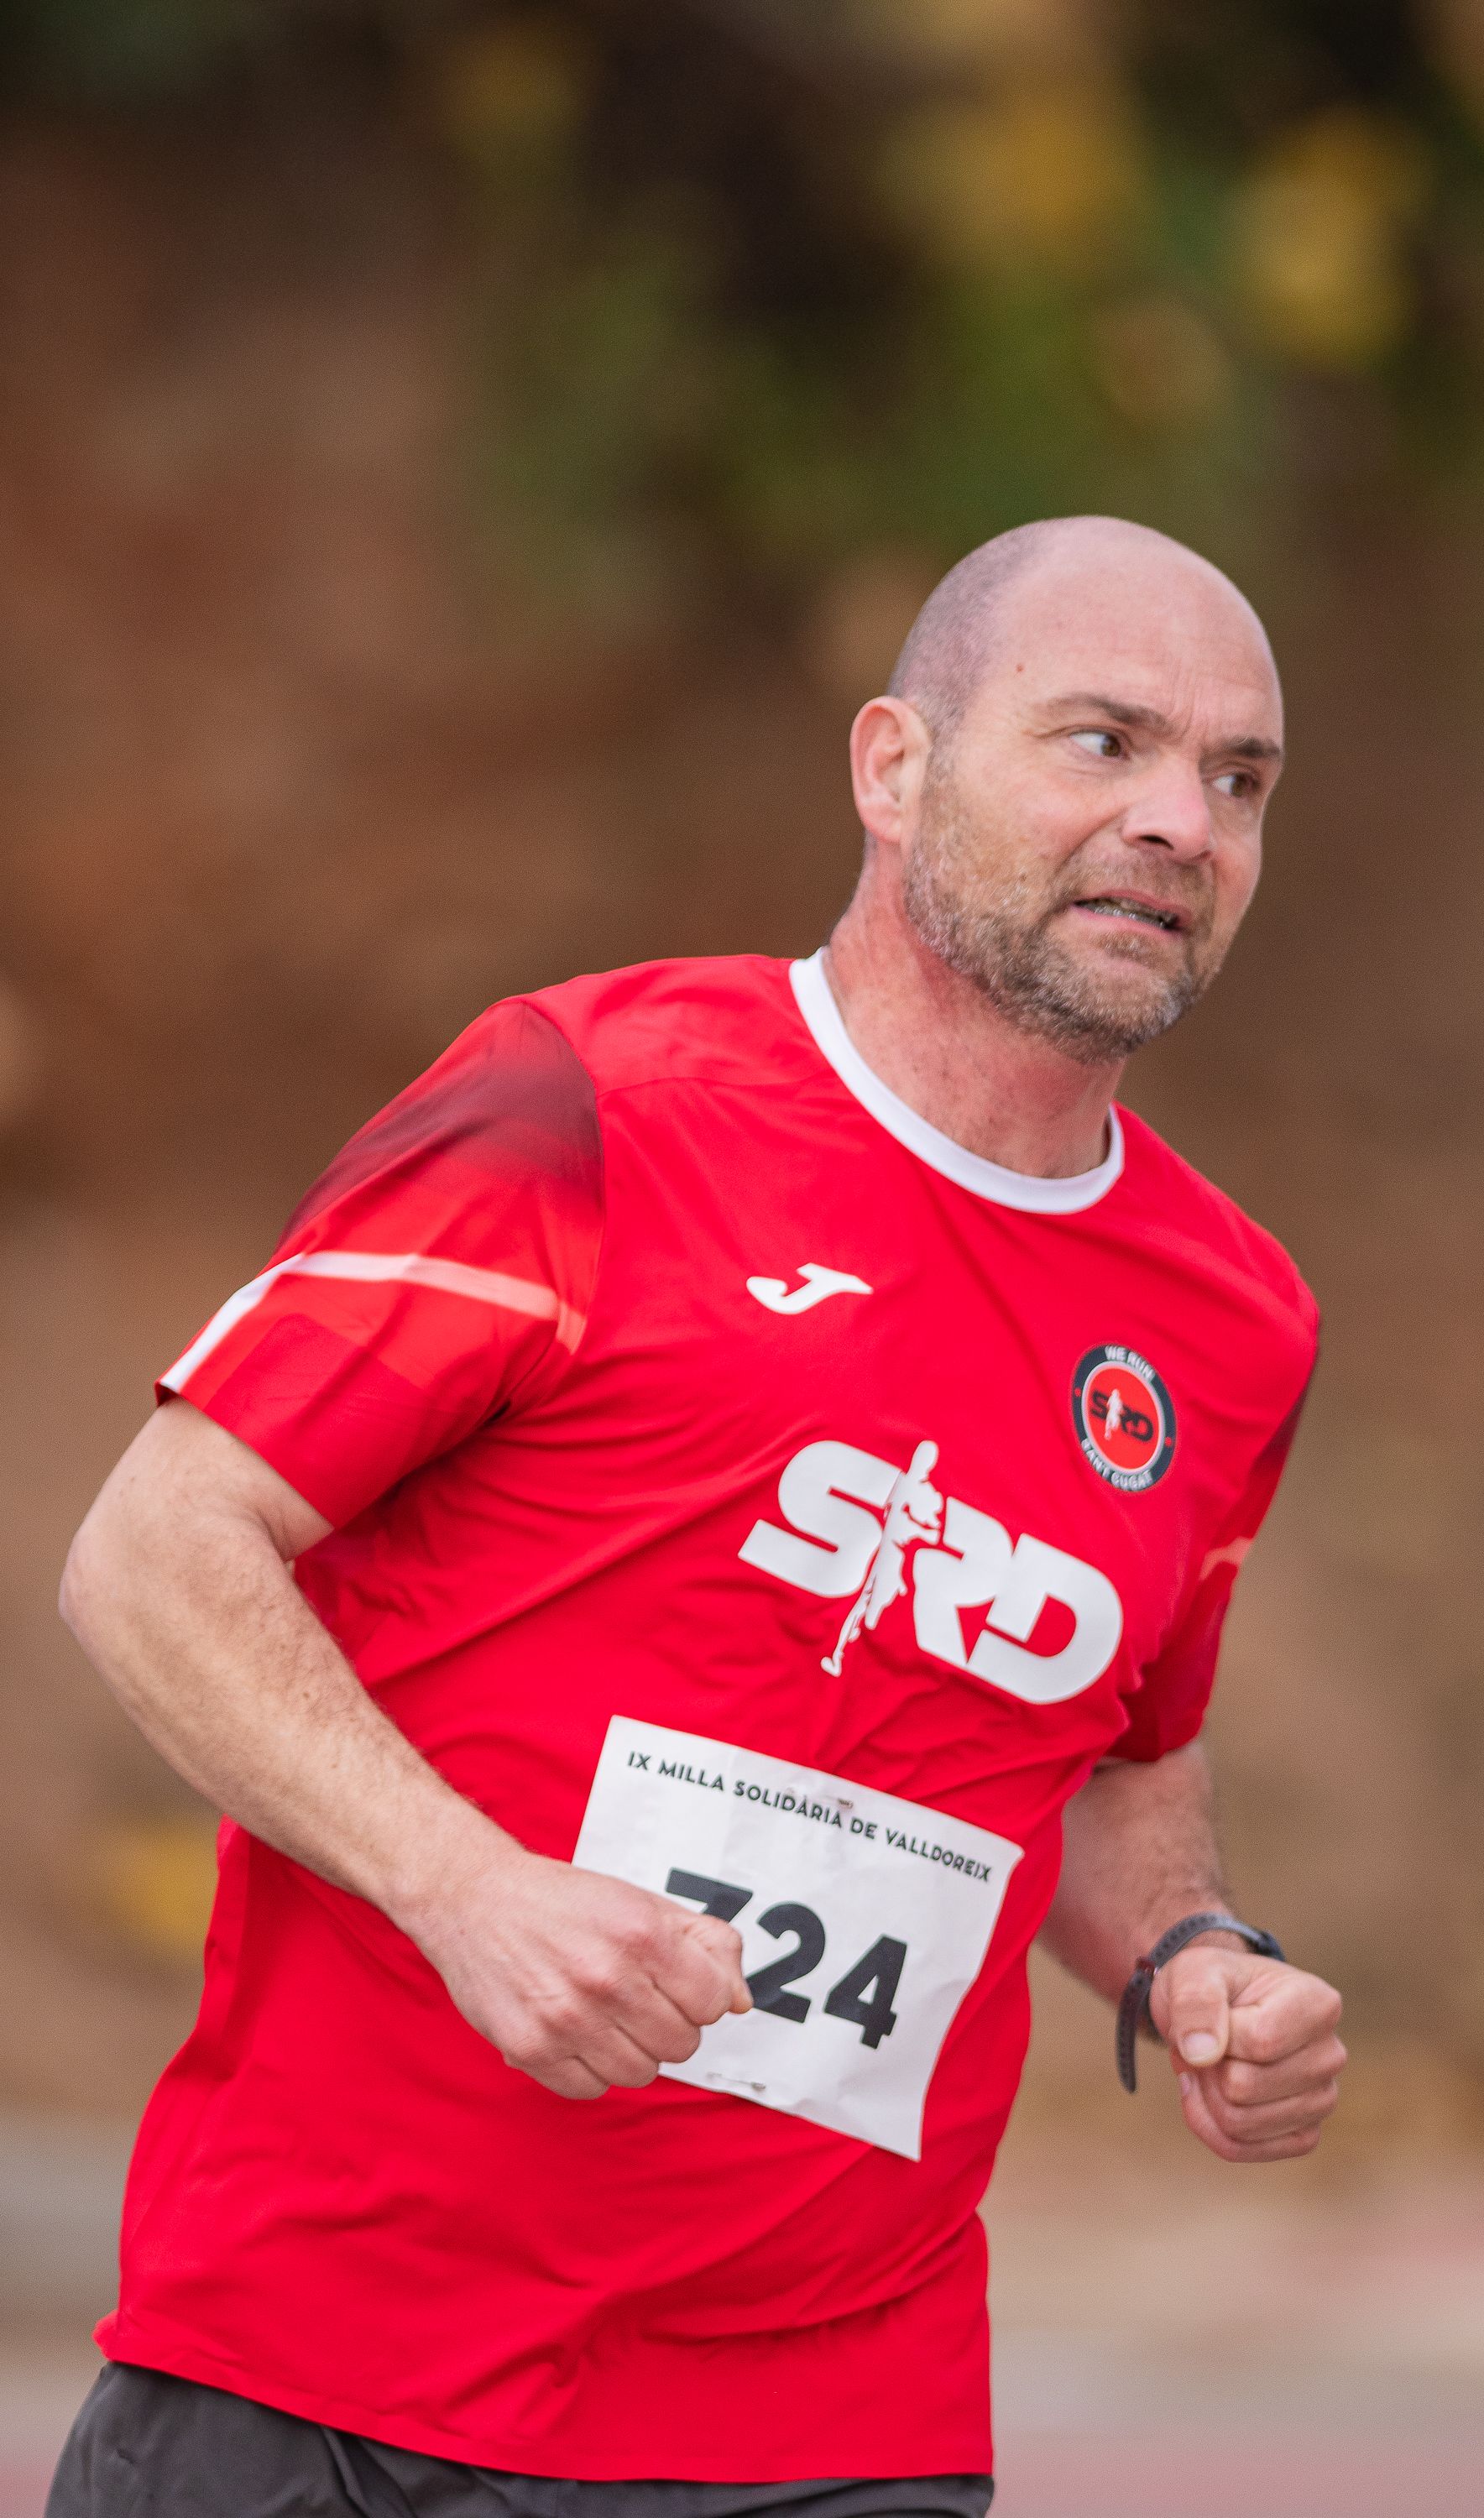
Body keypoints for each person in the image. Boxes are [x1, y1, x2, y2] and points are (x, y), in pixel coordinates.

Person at [51, 516, 1346, 2518]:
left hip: (829, 2434)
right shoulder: (584, 1106)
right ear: (891, 768)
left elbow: (1108, 1760)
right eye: (1103, 742)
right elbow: (154, 1554)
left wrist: (1192, 1960)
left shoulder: (1235, 1322)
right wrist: (465, 1886)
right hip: (339, 2373)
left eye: (1236, 780)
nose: (1181, 821)